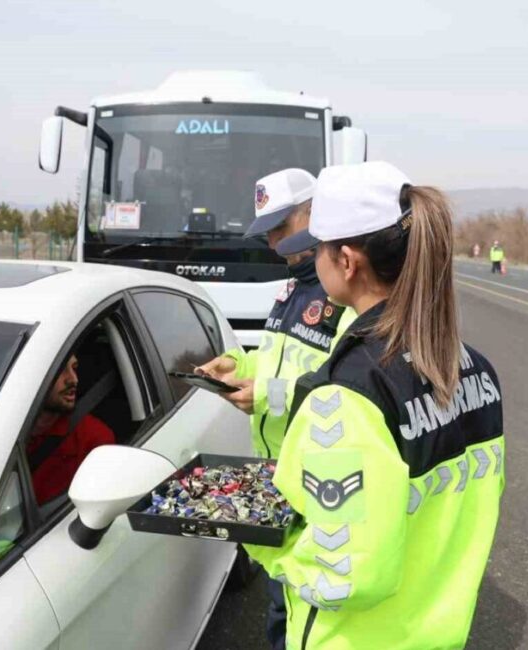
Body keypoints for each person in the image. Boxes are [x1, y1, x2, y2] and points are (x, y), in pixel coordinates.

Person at [245, 161, 505, 650]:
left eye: (315, 249)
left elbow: (344, 575)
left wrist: (261, 542)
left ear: (346, 261)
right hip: (438, 633)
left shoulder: (348, 393)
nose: (310, 262)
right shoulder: (475, 370)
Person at [196, 168, 355, 650]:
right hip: (278, 472)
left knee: (308, 622)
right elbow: (278, 359)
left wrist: (265, 393)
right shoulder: (290, 290)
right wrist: (237, 363)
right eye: (266, 230)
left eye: (281, 228)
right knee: (279, 612)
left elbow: (345, 390)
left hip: (321, 482)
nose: (271, 241)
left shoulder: (344, 297)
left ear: (315, 215)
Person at [0, 353, 115, 505]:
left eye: (74, 368)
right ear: (30, 376)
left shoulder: (94, 438)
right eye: (61, 370)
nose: (73, 379)